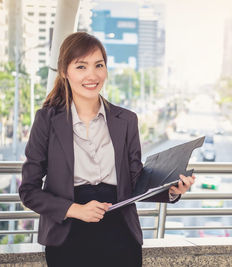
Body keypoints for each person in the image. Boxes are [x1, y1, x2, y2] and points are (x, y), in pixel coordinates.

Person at [18, 32, 195, 267]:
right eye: (81, 67)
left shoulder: (126, 120)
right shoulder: (47, 120)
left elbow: (136, 181)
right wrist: (75, 209)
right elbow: (28, 191)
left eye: (99, 65)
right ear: (64, 72)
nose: (92, 75)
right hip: (67, 235)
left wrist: (172, 189)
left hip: (120, 233)